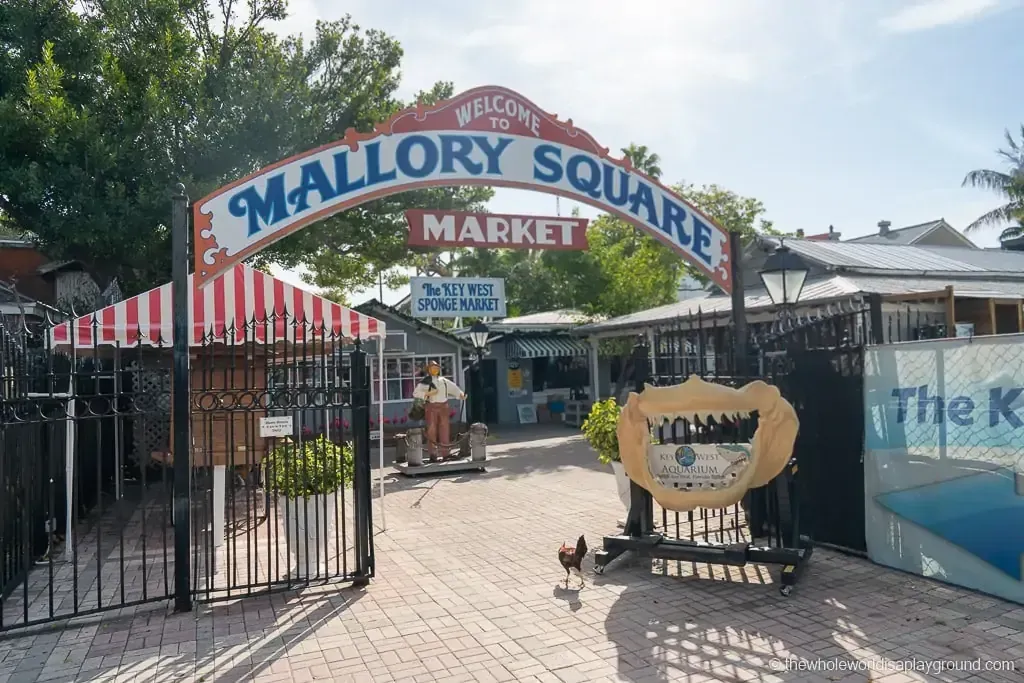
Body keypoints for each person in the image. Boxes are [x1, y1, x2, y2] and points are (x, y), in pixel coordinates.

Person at [412, 361, 466, 461]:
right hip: (431, 407)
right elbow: (416, 393)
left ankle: (446, 453)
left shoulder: (444, 381)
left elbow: (454, 388)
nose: (435, 369)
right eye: (433, 368)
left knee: (444, 429)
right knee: (431, 429)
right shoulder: (425, 381)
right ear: (429, 370)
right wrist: (428, 393)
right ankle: (433, 454)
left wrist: (460, 394)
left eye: (437, 368)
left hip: (443, 406)